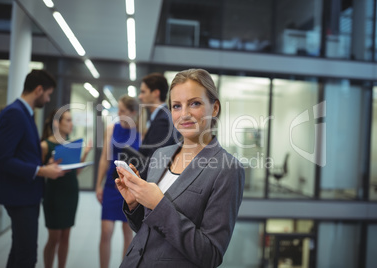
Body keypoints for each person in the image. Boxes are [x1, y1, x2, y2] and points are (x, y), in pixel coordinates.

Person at [115, 69, 245, 267]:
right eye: (177, 106)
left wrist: (158, 204)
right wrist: (134, 205)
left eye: (195, 103)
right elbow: (147, 230)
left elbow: (210, 255)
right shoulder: (161, 155)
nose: (184, 114)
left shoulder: (227, 169)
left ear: (215, 108)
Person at [0, 69, 65, 268]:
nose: (48, 100)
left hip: (25, 193)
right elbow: (2, 160)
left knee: (19, 252)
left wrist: (44, 166)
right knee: (27, 255)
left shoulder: (24, 114)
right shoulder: (14, 114)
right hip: (19, 195)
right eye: (48, 94)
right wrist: (41, 171)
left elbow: (22, 154)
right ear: (38, 90)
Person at [40, 109, 91, 268]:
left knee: (66, 236)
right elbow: (38, 172)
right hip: (54, 194)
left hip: (70, 191)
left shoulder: (71, 144)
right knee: (54, 237)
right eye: (68, 120)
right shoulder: (44, 145)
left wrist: (85, 155)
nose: (71, 124)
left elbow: (76, 171)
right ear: (57, 123)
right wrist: (47, 167)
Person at [96, 95, 142, 268]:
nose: (119, 113)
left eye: (122, 110)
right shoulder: (111, 128)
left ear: (133, 112)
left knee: (127, 231)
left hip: (129, 186)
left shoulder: (141, 131)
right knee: (106, 232)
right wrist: (98, 185)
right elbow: (104, 159)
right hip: (111, 183)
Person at [137, 73, 180, 179]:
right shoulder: (160, 117)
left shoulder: (162, 120)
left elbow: (155, 160)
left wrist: (135, 180)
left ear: (156, 93)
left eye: (143, 92)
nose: (140, 96)